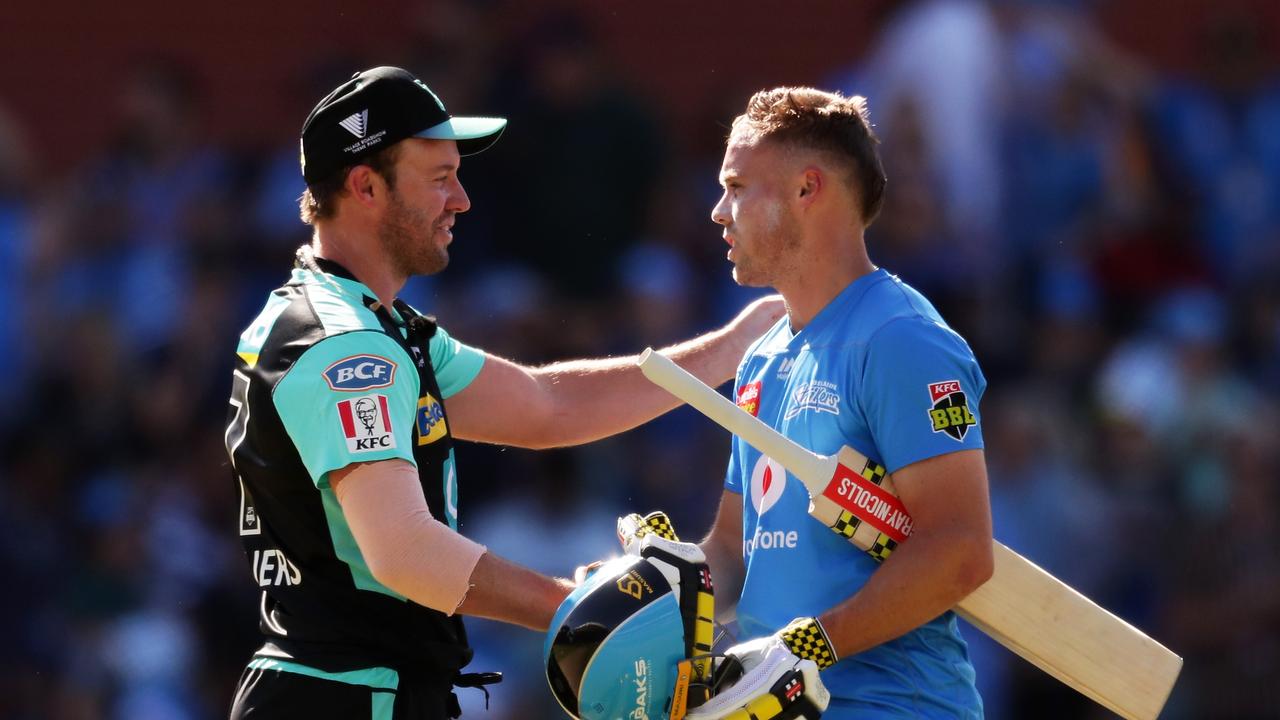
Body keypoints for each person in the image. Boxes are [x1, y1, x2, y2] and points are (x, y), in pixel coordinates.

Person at [223, 66, 783, 720]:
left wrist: (728, 348)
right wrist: (580, 611)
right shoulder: (349, 344)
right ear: (365, 185)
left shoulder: (360, 322)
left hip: (345, 688)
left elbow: (548, 405)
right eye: (438, 179)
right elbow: (405, 551)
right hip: (348, 697)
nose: (461, 199)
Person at [688, 87, 995, 718]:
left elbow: (960, 550)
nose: (719, 211)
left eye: (738, 186)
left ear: (807, 189)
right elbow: (732, 549)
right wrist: (661, 593)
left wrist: (802, 648)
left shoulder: (902, 338)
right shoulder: (762, 357)